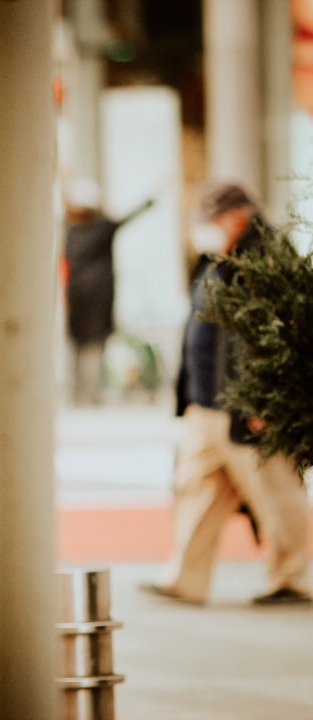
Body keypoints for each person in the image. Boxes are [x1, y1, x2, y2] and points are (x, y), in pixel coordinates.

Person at [140, 182, 311, 606]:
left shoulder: (269, 259)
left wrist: (270, 401)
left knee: (277, 492)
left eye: (211, 220)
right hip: (206, 403)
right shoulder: (217, 259)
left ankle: (294, 577)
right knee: (195, 490)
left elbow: (283, 340)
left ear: (237, 216)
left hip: (250, 406)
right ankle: (185, 578)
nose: (204, 230)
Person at [62, 178, 154, 405]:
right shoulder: (100, 229)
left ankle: (81, 393)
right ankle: (90, 393)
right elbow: (124, 219)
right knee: (93, 346)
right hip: (95, 297)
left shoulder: (73, 232)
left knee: (81, 346)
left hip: (79, 298)